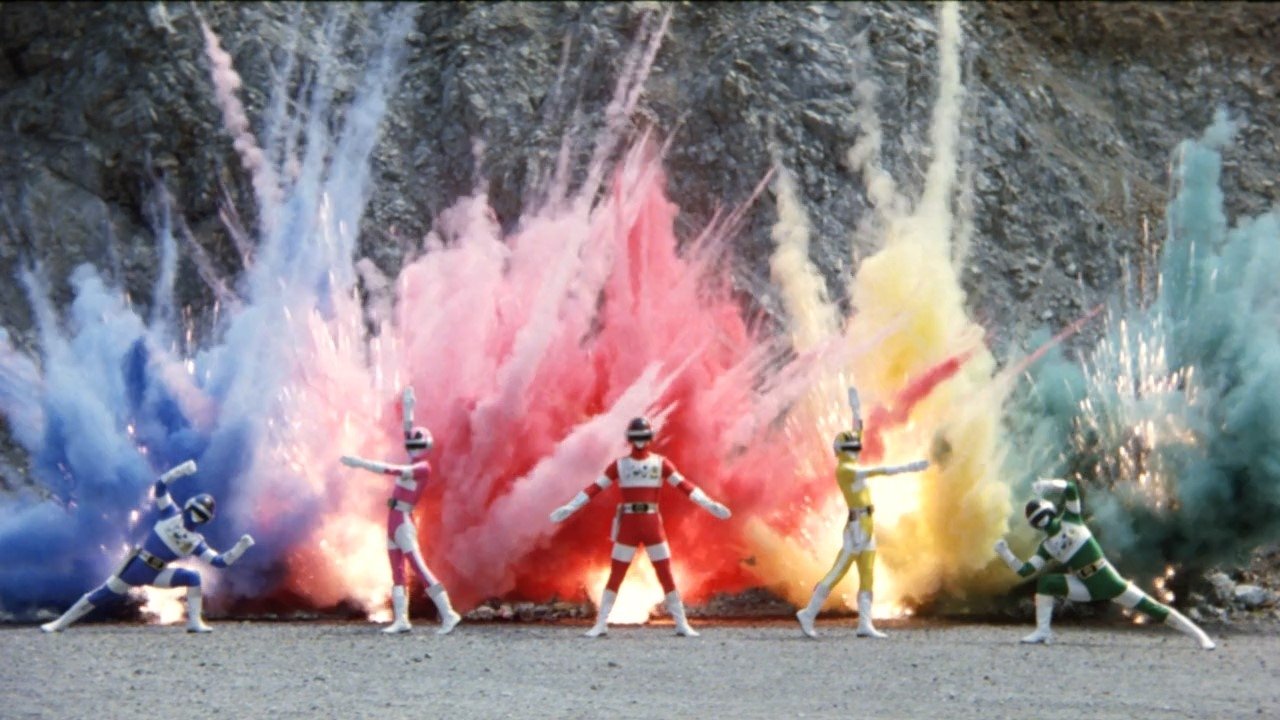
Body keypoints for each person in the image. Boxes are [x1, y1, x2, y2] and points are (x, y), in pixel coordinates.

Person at [549, 417, 731, 637]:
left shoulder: (660, 463)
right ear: (630, 439)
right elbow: (594, 488)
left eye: (643, 437)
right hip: (629, 524)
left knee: (665, 572)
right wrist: (570, 507)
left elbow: (685, 486)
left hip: (652, 522)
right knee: (617, 572)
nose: (640, 441)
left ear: (650, 438)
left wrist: (709, 504)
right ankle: (601, 623)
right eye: (636, 437)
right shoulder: (619, 465)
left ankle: (681, 623)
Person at [993, 477, 1215, 650]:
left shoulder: (1071, 518)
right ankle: (1043, 631)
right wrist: (1006, 553)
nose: (1042, 520)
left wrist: (1050, 484)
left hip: (1107, 580)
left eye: (1042, 514)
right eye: (1037, 519)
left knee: (1152, 608)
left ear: (1051, 510)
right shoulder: (1047, 546)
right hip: (1083, 585)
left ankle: (1200, 637)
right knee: (1046, 584)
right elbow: (1026, 571)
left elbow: (1071, 489)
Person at [41, 460, 255, 633]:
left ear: (205, 521)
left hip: (157, 573)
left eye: (201, 516)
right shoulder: (170, 513)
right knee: (101, 594)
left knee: (192, 578)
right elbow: (160, 486)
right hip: (137, 566)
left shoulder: (195, 541)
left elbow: (219, 561)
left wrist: (241, 546)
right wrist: (181, 470)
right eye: (195, 511)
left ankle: (195, 622)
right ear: (188, 506)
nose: (195, 517)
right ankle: (60, 623)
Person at [340, 387, 460, 635]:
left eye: (417, 444)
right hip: (394, 519)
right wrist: (408, 408)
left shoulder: (422, 468)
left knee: (419, 567)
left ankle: (448, 613)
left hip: (403, 521)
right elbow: (408, 433)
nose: (412, 447)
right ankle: (402, 619)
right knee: (397, 570)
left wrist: (361, 463)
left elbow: (392, 470)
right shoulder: (414, 461)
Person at [795, 426, 928, 639]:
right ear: (841, 451)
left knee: (867, 573)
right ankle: (808, 613)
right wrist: (910, 467)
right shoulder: (845, 470)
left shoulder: (851, 464)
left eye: (856, 447)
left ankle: (865, 624)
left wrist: (856, 414)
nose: (855, 451)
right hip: (857, 526)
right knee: (838, 571)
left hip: (866, 523)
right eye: (851, 448)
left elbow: (858, 432)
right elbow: (878, 471)